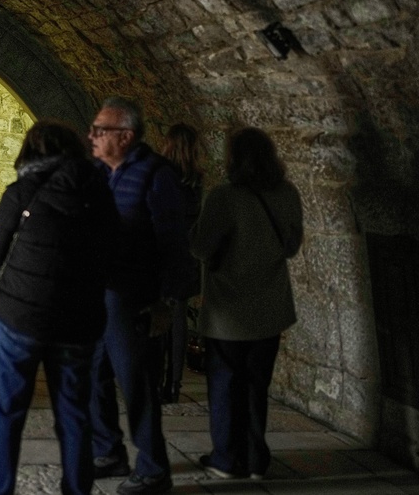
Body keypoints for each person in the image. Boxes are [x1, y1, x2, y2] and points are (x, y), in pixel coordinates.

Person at [0, 120, 120, 495]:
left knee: (7, 413)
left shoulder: (22, 191)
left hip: (21, 317)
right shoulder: (99, 192)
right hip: (79, 319)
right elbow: (114, 254)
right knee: (74, 415)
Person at [87, 96, 194, 495]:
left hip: (134, 296)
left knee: (137, 384)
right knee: (93, 374)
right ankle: (107, 451)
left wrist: (167, 300)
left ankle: (153, 469)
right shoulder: (99, 171)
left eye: (101, 130)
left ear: (126, 136)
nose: (92, 136)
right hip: (99, 290)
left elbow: (172, 242)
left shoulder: (156, 175)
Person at [191, 127, 303, 480]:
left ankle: (226, 457)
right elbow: (292, 245)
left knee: (225, 385)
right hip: (269, 307)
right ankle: (256, 458)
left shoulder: (225, 197)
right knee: (256, 385)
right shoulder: (287, 194)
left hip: (230, 311)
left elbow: (201, 246)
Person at [158, 123, 204, 404]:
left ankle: (159, 377)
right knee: (178, 319)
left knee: (160, 318)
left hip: (164, 253)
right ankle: (174, 382)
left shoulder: (163, 175)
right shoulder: (196, 179)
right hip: (186, 256)